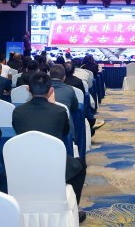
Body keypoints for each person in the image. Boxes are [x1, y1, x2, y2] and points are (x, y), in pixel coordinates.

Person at [12, 72, 87, 223]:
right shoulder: (59, 111)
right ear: (51, 90)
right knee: (80, 166)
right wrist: (54, 105)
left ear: (28, 89)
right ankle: (73, 209)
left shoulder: (17, 111)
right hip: (53, 165)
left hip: (23, 164)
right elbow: (65, 132)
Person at [49, 65, 78, 137]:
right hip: (66, 132)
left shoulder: (43, 89)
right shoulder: (69, 89)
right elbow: (75, 108)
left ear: (49, 76)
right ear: (64, 77)